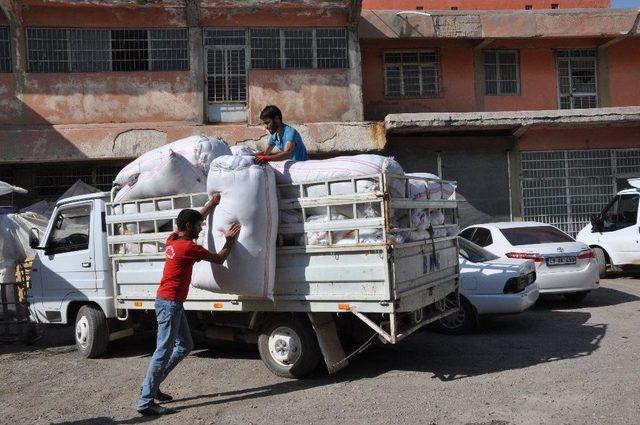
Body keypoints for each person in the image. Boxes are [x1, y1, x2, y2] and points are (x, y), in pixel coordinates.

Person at [137, 193, 241, 416]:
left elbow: (196, 217)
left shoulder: (173, 238)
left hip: (167, 301)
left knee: (184, 346)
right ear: (188, 226)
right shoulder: (187, 248)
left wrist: (211, 205)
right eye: (198, 226)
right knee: (163, 351)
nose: (201, 229)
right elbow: (220, 258)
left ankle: (152, 387)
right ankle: (146, 401)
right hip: (170, 303)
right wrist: (230, 240)